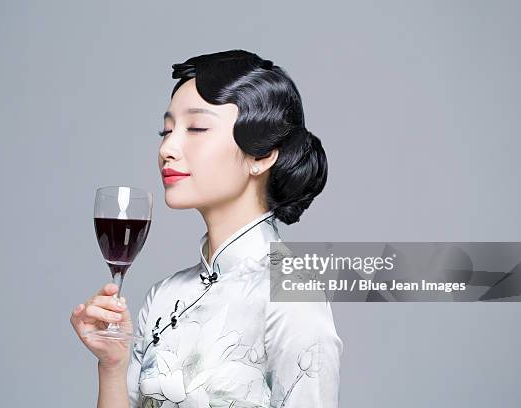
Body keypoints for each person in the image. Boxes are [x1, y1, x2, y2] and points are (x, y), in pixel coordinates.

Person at [70, 49, 343, 408]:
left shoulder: (292, 293)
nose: (168, 147)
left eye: (196, 128)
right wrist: (112, 365)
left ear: (261, 155)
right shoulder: (164, 296)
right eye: (166, 131)